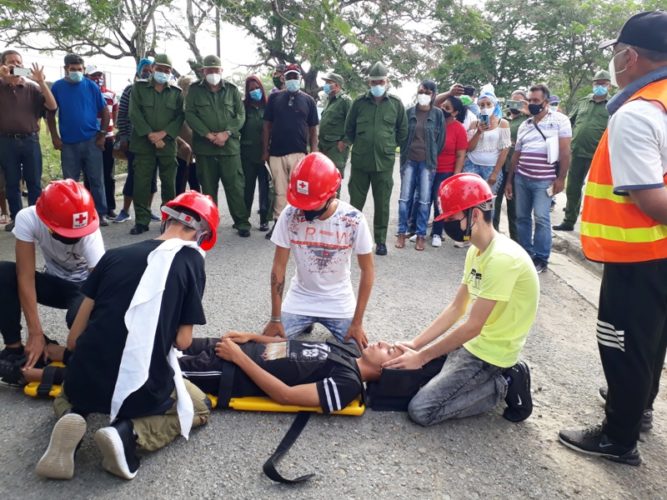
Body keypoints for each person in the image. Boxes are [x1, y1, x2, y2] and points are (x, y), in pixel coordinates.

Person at [35, 191, 219, 480]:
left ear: (166, 220)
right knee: (199, 406)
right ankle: (128, 435)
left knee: (71, 393)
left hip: (83, 378)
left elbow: (73, 340)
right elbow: (182, 341)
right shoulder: (192, 263)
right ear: (201, 234)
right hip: (140, 388)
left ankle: (73, 415)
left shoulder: (113, 257)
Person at [559, 10, 667, 467]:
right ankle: (638, 406)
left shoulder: (638, 113)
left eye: (618, 52)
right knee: (653, 337)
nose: (616, 61)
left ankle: (617, 437)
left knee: (622, 340)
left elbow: (652, 201)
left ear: (634, 56)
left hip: (640, 252)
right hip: (658, 254)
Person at [384, 173, 539, 426]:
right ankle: (468, 377)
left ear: (475, 214)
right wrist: (416, 344)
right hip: (470, 345)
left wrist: (423, 357)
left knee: (422, 410)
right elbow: (457, 308)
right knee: (409, 373)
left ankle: (505, 382)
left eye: (453, 218)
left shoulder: (503, 258)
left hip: (490, 355)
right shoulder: (476, 252)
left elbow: (473, 325)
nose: (448, 225)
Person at [263, 153, 374, 350]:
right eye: (301, 204)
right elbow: (278, 267)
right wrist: (275, 318)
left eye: (311, 205)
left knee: (358, 355)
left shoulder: (354, 220)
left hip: (338, 300)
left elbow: (368, 271)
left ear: (333, 193)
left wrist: (357, 323)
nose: (305, 212)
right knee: (268, 351)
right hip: (301, 296)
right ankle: (305, 320)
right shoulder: (289, 214)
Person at [0, 180, 104, 369]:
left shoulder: (90, 228)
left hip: (84, 289)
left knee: (79, 320)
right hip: (54, 283)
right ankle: (14, 350)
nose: (72, 238)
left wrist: (68, 350)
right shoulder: (28, 218)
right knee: (4, 272)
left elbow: (102, 288)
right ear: (45, 220)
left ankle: (80, 356)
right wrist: (35, 333)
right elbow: (25, 276)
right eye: (65, 234)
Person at [180, 333, 401, 414]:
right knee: (175, 341)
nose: (382, 342)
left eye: (388, 350)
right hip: (235, 351)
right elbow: (291, 345)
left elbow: (286, 395)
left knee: (161, 368)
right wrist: (252, 337)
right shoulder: (347, 353)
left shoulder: (347, 384)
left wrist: (238, 358)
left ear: (385, 370)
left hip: (229, 370)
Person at [504, 84, 572, 273]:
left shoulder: (560, 121)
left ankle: (541, 258)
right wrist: (510, 180)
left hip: (545, 180)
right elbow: (517, 154)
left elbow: (566, 152)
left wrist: (561, 179)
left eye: (536, 101)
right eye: (530, 100)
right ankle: (526, 254)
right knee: (522, 218)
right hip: (522, 179)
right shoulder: (526, 125)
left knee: (541, 218)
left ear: (546, 102)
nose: (532, 104)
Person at [345, 62, 408, 256]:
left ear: (387, 81)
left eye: (380, 81)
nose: (377, 85)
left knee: (382, 204)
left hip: (384, 162)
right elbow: (349, 129)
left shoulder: (396, 104)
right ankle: (350, 237)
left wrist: (388, 146)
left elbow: (402, 131)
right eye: (374, 82)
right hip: (361, 161)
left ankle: (380, 241)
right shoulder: (358, 103)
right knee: (355, 202)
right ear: (369, 82)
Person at [185, 55, 250, 237]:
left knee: (235, 187)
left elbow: (240, 115)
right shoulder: (195, 90)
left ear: (221, 71)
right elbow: (190, 114)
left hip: (229, 149)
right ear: (203, 71)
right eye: (209, 70)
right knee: (208, 189)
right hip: (205, 149)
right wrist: (207, 134)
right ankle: (209, 224)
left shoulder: (232, 90)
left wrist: (226, 133)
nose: (213, 73)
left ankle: (242, 222)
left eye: (216, 70)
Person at [47, 54, 110, 226]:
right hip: (68, 143)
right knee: (70, 183)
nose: (76, 72)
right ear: (66, 69)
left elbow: (104, 111)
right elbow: (50, 114)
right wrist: (54, 137)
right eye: (73, 69)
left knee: (97, 180)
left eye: (79, 69)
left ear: (83, 69)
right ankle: (73, 213)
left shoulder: (90, 86)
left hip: (91, 140)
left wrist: (102, 135)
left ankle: (100, 213)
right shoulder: (58, 87)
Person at [0, 50, 57, 232]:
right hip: (6, 142)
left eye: (18, 62)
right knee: (12, 182)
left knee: (34, 181)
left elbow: (52, 106)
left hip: (30, 140)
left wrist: (41, 81)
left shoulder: (32, 87)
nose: (15, 65)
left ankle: (36, 218)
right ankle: (18, 219)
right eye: (11, 62)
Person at [128, 53, 184, 235]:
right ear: (152, 69)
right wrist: (150, 135)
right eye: (159, 69)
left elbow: (179, 117)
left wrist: (163, 134)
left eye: (167, 70)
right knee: (142, 183)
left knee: (169, 183)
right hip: (143, 144)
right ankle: (142, 221)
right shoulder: (139, 88)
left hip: (167, 144)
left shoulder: (176, 92)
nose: (163, 72)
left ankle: (168, 220)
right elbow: (134, 113)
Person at [262, 63, 319, 238]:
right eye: (289, 77)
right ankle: (279, 224)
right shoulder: (274, 98)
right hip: (276, 153)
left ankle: (299, 224)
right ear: (283, 79)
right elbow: (266, 126)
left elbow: (313, 129)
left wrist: (314, 153)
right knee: (279, 190)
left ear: (300, 78)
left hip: (299, 153)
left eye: (295, 77)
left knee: (298, 189)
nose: (292, 80)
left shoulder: (309, 100)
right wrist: (265, 151)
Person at [553, 70, 611, 231]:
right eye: (597, 83)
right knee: (572, 187)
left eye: (603, 83)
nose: (600, 86)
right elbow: (568, 122)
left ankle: (597, 226)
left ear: (609, 86)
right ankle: (569, 220)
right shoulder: (583, 102)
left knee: (598, 192)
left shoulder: (613, 105)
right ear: (593, 84)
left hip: (599, 155)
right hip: (577, 152)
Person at [396, 80, 445, 251]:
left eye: (427, 92)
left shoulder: (438, 114)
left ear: (433, 95)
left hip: (427, 163)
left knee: (424, 200)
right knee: (404, 199)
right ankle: (401, 232)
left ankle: (421, 235)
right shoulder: (409, 112)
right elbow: (401, 135)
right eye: (421, 91)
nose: (423, 95)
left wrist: (431, 157)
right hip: (409, 159)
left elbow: (440, 141)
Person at [113, 58, 159, 224]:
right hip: (135, 142)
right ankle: (125, 211)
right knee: (134, 176)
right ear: (139, 71)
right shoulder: (130, 90)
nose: (147, 72)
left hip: (155, 142)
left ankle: (147, 210)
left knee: (153, 177)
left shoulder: (157, 90)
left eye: (150, 69)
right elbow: (122, 115)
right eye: (144, 69)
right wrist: (125, 136)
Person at [431, 95, 468, 248]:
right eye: (442, 106)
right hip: (429, 167)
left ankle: (437, 233)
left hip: (446, 170)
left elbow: (461, 154)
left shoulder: (459, 128)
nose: (443, 109)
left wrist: (455, 176)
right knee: (423, 199)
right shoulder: (433, 122)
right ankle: (418, 230)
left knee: (439, 203)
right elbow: (432, 102)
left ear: (455, 113)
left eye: (447, 108)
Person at [84, 64, 119, 219]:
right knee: (90, 176)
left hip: (107, 138)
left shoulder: (111, 95)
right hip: (89, 138)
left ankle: (109, 207)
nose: (97, 78)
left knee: (107, 175)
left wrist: (110, 131)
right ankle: (90, 207)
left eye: (100, 75)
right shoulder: (84, 93)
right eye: (94, 76)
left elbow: (115, 114)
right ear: (87, 77)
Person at [493, 90, 529, 241]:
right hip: (500, 166)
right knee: (494, 204)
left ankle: (517, 242)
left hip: (516, 170)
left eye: (519, 102)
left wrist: (528, 113)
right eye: (513, 101)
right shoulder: (503, 119)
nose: (515, 104)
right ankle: (492, 237)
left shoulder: (528, 120)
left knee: (514, 209)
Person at [240, 75, 272, 232]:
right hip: (247, 154)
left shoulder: (269, 106)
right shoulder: (243, 107)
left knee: (265, 188)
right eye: (251, 89)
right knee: (247, 187)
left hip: (266, 154)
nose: (255, 91)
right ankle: (243, 219)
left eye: (257, 88)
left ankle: (264, 219)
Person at [318, 72, 352, 191]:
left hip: (336, 148)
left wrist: (345, 142)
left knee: (333, 179)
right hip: (324, 145)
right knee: (322, 177)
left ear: (337, 85)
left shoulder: (345, 101)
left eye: (328, 83)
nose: (325, 85)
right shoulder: (330, 100)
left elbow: (352, 123)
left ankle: (334, 207)